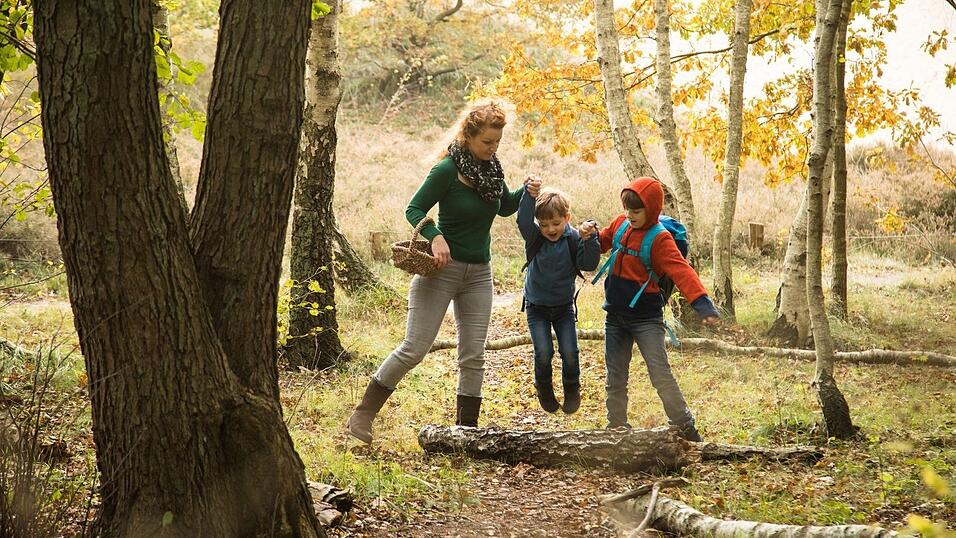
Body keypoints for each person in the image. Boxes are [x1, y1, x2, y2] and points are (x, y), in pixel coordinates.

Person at [347, 101, 534, 444]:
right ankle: (363, 414)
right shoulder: (447, 169)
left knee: (473, 355)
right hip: (440, 271)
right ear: (469, 135)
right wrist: (435, 237)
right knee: (414, 348)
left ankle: (466, 432)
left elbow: (505, 206)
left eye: (497, 142)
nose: (493, 148)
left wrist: (527, 191)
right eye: (487, 141)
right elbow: (414, 208)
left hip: (479, 274)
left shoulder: (492, 170)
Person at [596, 177, 719, 441]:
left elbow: (681, 271)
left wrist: (703, 305)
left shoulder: (660, 239)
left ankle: (685, 427)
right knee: (615, 375)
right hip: (615, 316)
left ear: (651, 209)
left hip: (646, 320)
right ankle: (616, 427)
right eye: (627, 209)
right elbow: (601, 241)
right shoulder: (620, 224)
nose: (630, 215)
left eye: (636, 211)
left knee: (660, 373)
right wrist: (585, 235)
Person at [517, 184, 599, 414]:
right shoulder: (535, 236)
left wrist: (590, 239)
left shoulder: (574, 238)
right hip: (536, 307)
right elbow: (523, 220)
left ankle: (572, 389)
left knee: (570, 353)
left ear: (567, 218)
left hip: (564, 308)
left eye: (555, 223)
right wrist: (529, 195)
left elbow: (589, 264)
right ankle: (544, 389)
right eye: (544, 224)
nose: (550, 229)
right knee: (543, 352)